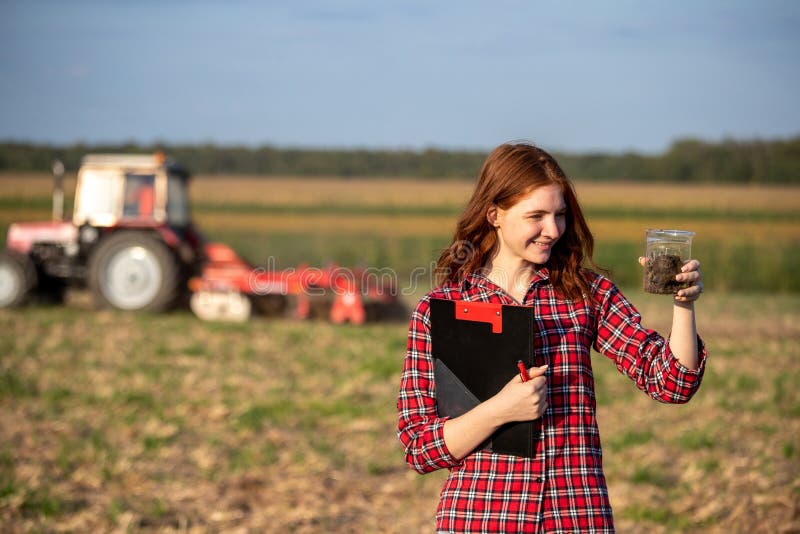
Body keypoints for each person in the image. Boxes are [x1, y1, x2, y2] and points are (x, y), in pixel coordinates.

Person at [396, 142, 706, 532]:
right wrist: (500, 410)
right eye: (536, 216)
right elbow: (419, 446)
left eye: (560, 215)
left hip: (575, 516)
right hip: (480, 518)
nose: (553, 230)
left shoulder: (586, 295)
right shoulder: (442, 308)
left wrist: (683, 304)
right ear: (495, 214)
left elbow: (672, 383)